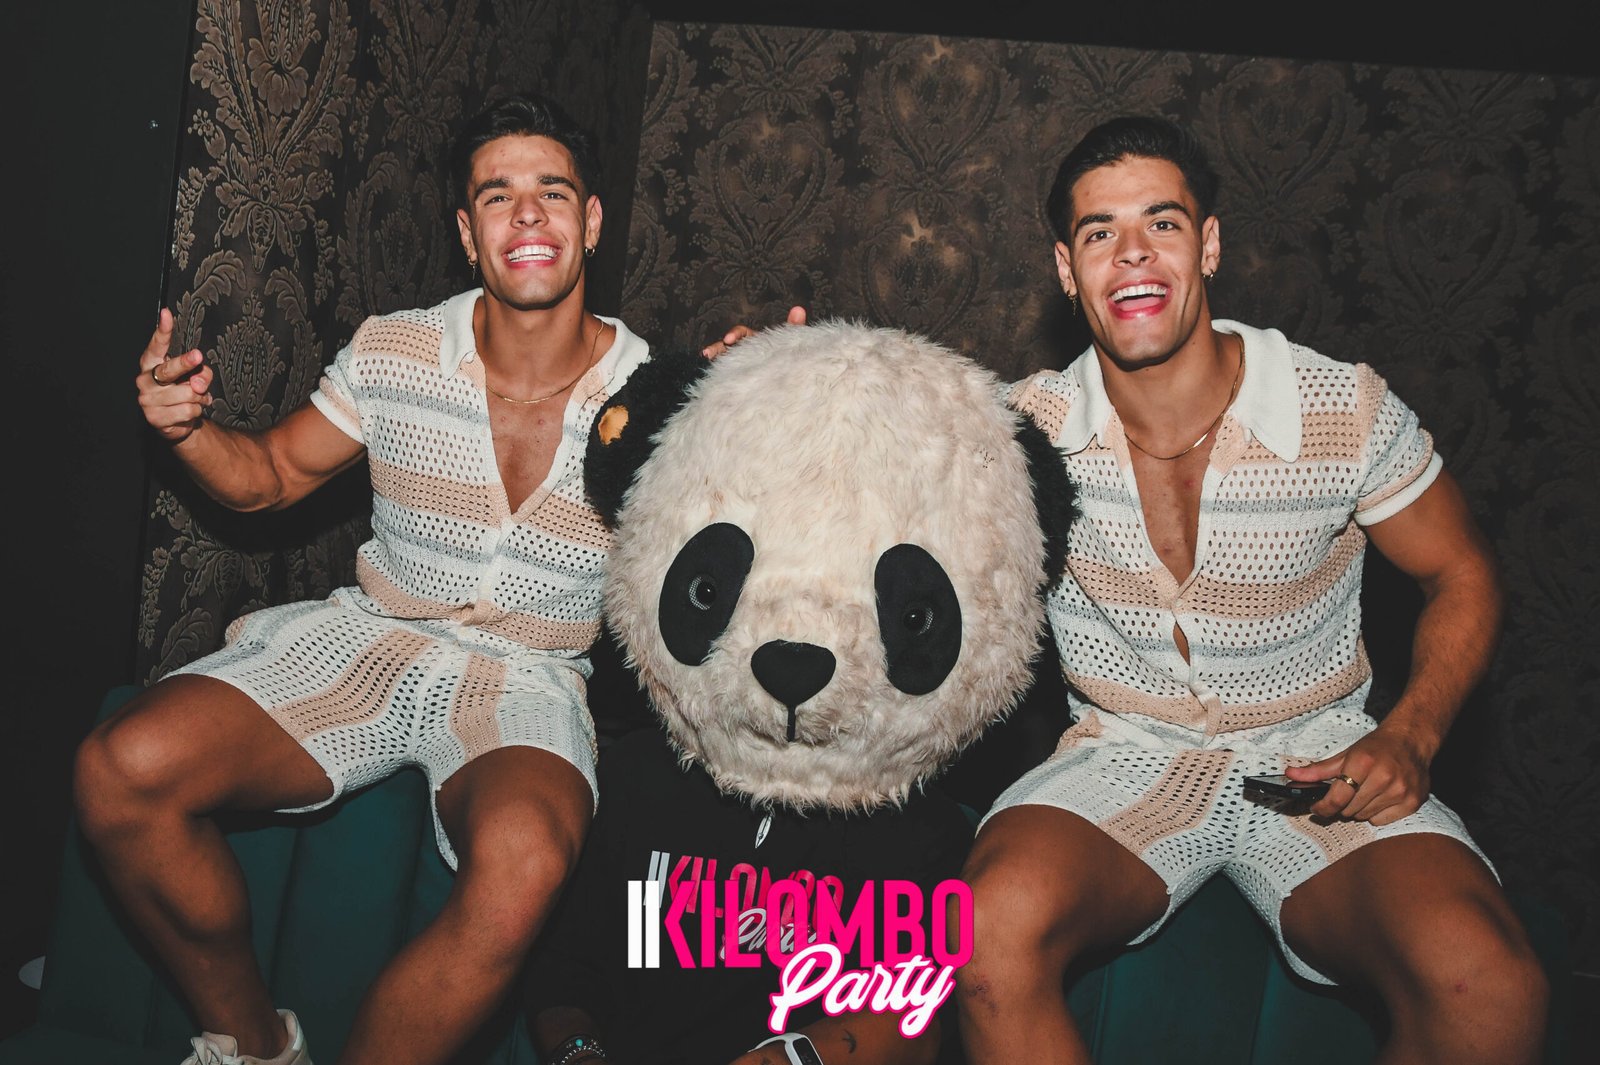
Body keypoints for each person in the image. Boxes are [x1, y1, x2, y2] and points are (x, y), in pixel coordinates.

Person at [711, 115, 1548, 1065]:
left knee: (1492, 984)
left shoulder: (1338, 407)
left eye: (1163, 222)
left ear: (1210, 244)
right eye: (1100, 232)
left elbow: (1461, 571)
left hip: (1316, 757)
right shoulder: (1023, 432)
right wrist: (766, 386)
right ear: (1067, 270)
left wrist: (1411, 733)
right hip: (1123, 755)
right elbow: (860, 482)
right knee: (980, 933)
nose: (1133, 253)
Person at [73, 91, 651, 1065]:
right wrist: (188, 432)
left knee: (524, 864)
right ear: (466, 234)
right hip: (368, 638)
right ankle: (257, 1045)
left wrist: (760, 404)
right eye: (497, 195)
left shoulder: (656, 394)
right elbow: (269, 476)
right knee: (119, 769)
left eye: (552, 192)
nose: (527, 215)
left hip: (527, 677)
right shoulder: (395, 350)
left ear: (589, 221)